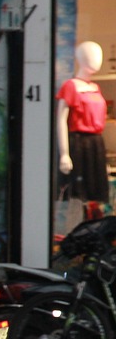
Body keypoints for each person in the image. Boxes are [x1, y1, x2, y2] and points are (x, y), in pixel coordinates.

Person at [57, 41, 109, 213]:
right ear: (80, 58)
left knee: (96, 192)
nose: (97, 60)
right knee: (77, 195)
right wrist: (64, 153)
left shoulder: (95, 88)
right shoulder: (71, 86)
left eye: (98, 55)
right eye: (91, 55)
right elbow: (61, 120)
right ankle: (74, 234)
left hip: (96, 143)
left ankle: (92, 233)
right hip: (78, 143)